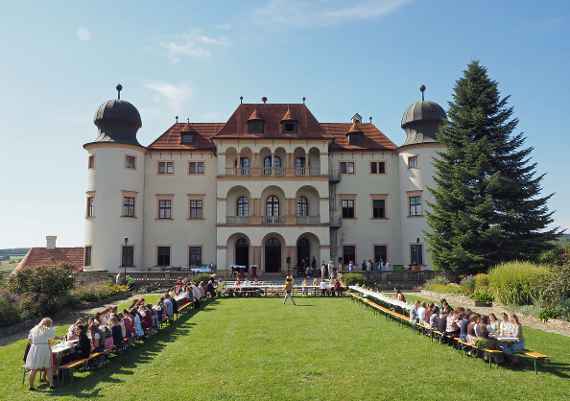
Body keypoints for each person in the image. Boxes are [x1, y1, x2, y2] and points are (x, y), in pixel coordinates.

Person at [26, 317, 58, 390]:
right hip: (44, 348)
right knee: (48, 367)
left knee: (34, 368)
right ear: (49, 324)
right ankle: (51, 384)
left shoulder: (34, 329)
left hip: (35, 348)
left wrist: (35, 344)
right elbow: (52, 337)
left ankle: (31, 386)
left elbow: (29, 340)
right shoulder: (48, 329)